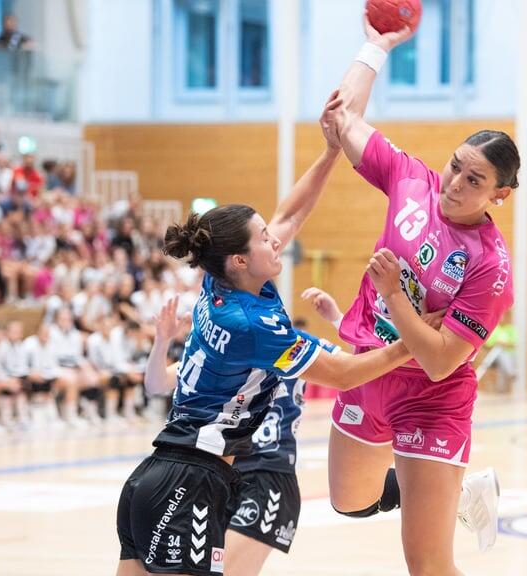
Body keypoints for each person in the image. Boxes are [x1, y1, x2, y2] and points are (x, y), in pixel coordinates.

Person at [116, 93, 418, 576]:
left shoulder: (220, 281)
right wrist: (418, 342)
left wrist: (330, 152)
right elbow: (343, 374)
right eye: (262, 237)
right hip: (191, 480)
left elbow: (291, 215)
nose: (273, 239)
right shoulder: (252, 326)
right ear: (240, 259)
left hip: (156, 475)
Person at [321, 17, 521, 574]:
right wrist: (375, 45)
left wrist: (395, 298)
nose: (455, 183)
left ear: (500, 194)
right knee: (349, 502)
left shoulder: (490, 266)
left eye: (474, 180)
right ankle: (452, 492)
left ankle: (441, 488)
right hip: (368, 368)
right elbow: (342, 120)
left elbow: (438, 361)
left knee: (427, 564)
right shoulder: (411, 180)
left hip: (433, 398)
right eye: (456, 166)